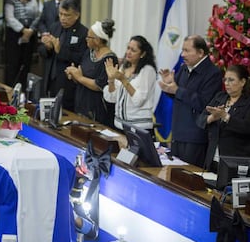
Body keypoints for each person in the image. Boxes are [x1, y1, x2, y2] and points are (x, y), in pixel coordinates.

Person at [158, 35, 222, 167]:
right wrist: (169, 87)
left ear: (200, 53)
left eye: (187, 51)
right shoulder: (184, 68)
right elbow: (178, 96)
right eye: (182, 50)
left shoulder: (213, 73)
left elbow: (204, 103)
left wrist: (177, 90)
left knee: (188, 178)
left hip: (195, 136)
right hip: (178, 132)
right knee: (174, 176)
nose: (182, 54)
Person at [65, 19, 118, 127]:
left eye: (89, 37)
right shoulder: (88, 53)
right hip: (81, 103)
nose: (86, 39)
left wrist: (79, 77)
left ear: (97, 40)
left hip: (96, 108)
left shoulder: (109, 59)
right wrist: (73, 74)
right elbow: (81, 74)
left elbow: (100, 85)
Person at [196, 64, 250, 171]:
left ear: (242, 82)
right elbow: (200, 119)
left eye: (231, 80)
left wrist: (225, 116)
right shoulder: (220, 97)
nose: (226, 83)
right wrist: (212, 117)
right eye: (225, 80)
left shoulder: (247, 103)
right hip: (212, 159)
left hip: (234, 161)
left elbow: (246, 127)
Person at [38, 0, 88, 111]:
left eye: (67, 15)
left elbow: (81, 58)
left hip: (67, 84)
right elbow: (42, 52)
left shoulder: (83, 33)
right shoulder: (54, 27)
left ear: (77, 15)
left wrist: (60, 50)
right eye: (61, 14)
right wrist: (47, 47)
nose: (63, 18)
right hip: (50, 80)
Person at [103, 35, 157, 133]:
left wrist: (123, 80)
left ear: (143, 54)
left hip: (138, 126)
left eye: (133, 50)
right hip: (119, 125)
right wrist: (111, 79)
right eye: (128, 48)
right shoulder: (123, 67)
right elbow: (111, 98)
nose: (128, 52)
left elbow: (139, 100)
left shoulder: (148, 71)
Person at [4, 0, 40, 89]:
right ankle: (10, 90)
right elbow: (9, 17)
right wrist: (23, 30)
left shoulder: (33, 0)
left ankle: (24, 91)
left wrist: (30, 30)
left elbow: (37, 17)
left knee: (26, 64)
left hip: (30, 34)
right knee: (13, 64)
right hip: (14, 34)